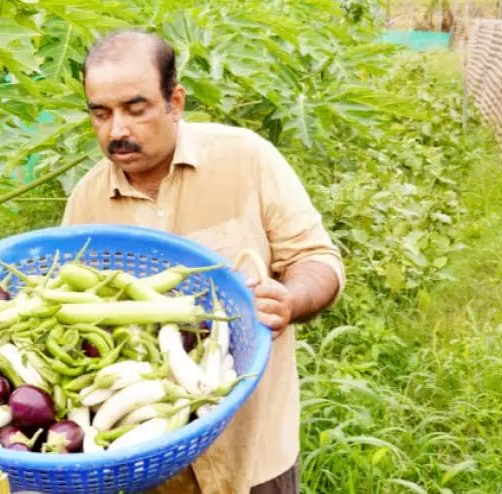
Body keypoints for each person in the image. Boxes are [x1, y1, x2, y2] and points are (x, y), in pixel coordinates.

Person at [60, 30, 346, 494]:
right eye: (101, 113)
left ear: (175, 101)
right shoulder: (87, 202)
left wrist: (290, 298)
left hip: (251, 455)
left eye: (136, 109)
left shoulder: (245, 159)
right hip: (143, 464)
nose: (117, 131)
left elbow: (317, 259)